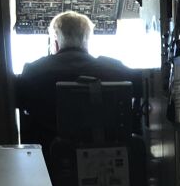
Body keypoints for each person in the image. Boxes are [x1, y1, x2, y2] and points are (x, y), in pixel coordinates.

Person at [15, 10, 138, 147]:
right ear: (87, 41)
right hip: (110, 156)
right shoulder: (117, 70)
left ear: (55, 41)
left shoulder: (33, 72)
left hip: (48, 159)